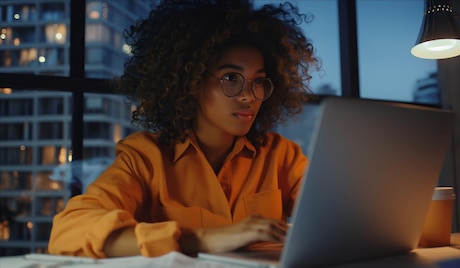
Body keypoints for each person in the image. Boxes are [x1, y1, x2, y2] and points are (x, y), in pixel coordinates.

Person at [48, 0, 318, 258]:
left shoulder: (280, 155)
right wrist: (199, 239)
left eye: (258, 81)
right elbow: (68, 231)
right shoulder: (145, 157)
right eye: (231, 78)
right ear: (192, 81)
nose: (249, 96)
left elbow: (339, 214)